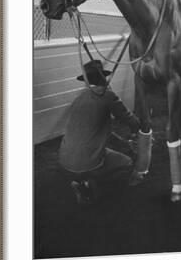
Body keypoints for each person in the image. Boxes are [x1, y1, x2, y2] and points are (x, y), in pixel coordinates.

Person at [59, 59, 140, 206]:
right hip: (87, 162)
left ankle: (80, 181)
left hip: (64, 160)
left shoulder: (79, 98)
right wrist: (140, 129)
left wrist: (123, 141)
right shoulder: (108, 96)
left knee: (95, 147)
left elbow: (96, 131)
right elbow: (130, 119)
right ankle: (91, 183)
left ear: (87, 80)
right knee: (127, 163)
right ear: (103, 77)